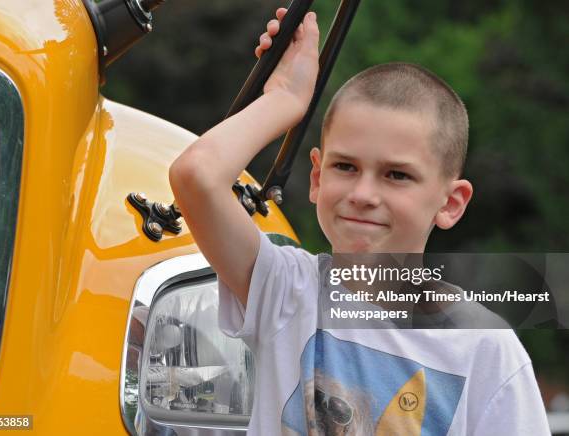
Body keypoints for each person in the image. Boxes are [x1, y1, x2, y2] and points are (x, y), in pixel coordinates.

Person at [169, 8, 550, 435]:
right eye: (345, 167)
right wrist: (285, 100)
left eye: (397, 175)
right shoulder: (284, 291)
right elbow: (196, 175)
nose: (363, 195)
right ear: (317, 176)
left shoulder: (486, 349)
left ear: (451, 203)